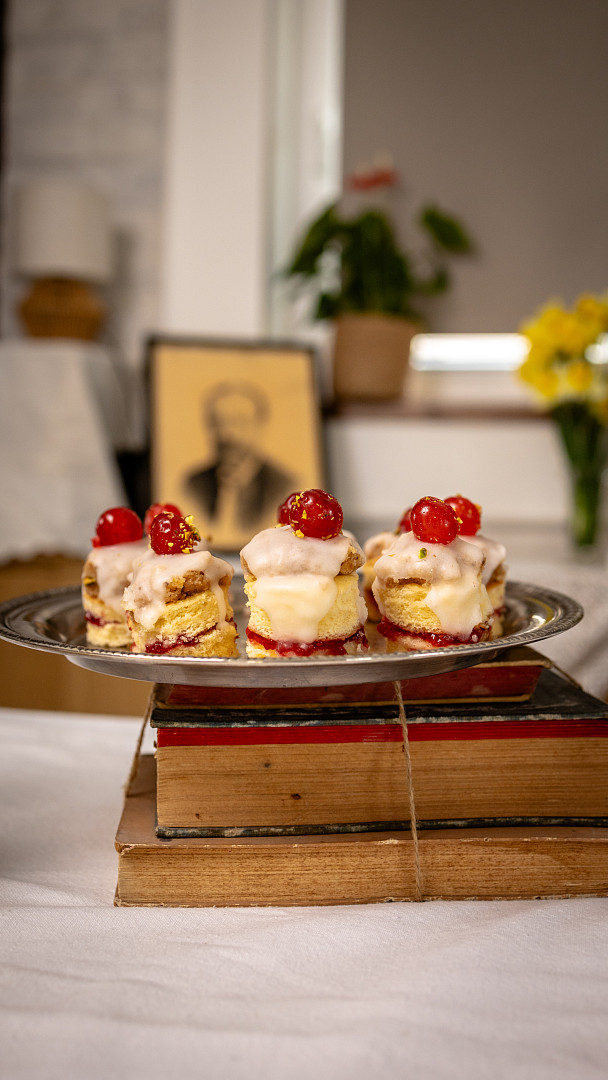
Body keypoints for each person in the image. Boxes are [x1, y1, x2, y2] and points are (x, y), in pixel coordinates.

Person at [185, 381, 297, 547]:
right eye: (219, 423)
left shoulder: (282, 484)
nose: (228, 433)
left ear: (259, 426)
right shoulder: (193, 484)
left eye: (239, 422)